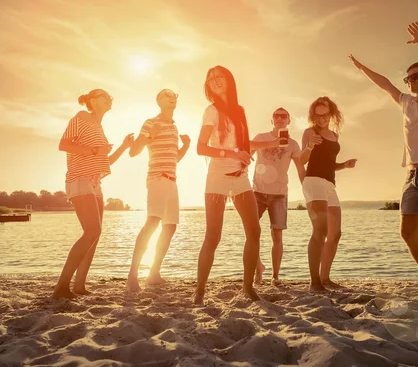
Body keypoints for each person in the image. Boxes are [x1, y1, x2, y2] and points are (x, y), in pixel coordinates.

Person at [348, 21, 418, 298]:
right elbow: (385, 84)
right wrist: (363, 69)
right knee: (407, 231)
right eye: (408, 78)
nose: (410, 81)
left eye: (415, 76)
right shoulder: (405, 102)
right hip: (411, 174)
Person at [194, 65, 280, 305]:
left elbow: (244, 146)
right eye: (211, 78)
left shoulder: (239, 111)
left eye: (219, 76)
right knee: (213, 236)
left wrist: (272, 143)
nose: (215, 80)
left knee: (254, 231)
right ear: (208, 86)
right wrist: (232, 153)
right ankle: (199, 291)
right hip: (217, 178)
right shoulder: (211, 111)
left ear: (229, 80)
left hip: (240, 178)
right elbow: (201, 148)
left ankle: (248, 287)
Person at [53, 88, 134, 299]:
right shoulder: (81, 117)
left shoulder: (99, 127)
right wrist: (93, 151)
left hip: (95, 183)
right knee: (91, 231)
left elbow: (104, 162)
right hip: (79, 178)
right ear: (92, 101)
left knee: (95, 235)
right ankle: (61, 287)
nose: (109, 98)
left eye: (110, 96)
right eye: (104, 96)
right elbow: (63, 144)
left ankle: (79, 285)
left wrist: (124, 146)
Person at [126, 89, 191, 292]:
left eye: (174, 96)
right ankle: (132, 276)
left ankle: (154, 274)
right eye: (166, 96)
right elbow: (133, 152)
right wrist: (147, 137)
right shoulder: (151, 123)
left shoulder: (173, 126)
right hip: (157, 178)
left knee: (170, 226)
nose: (172, 98)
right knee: (152, 222)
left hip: (172, 180)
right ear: (158, 101)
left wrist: (186, 145)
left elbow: (174, 159)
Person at [300, 96, 357, 292]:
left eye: (325, 116)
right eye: (318, 116)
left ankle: (325, 278)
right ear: (313, 116)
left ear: (331, 114)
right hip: (313, 181)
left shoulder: (334, 136)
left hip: (329, 184)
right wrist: (310, 146)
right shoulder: (309, 132)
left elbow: (329, 164)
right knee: (320, 231)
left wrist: (344, 165)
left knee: (335, 233)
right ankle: (314, 282)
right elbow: (302, 160)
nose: (322, 120)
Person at [252, 107, 305, 286]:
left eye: (284, 116)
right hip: (257, 192)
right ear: (272, 120)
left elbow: (300, 167)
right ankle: (258, 267)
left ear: (289, 121)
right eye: (277, 115)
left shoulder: (293, 144)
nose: (280, 118)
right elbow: (247, 152)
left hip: (279, 194)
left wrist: (308, 188)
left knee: (277, 236)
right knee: (252, 232)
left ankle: (275, 276)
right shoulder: (260, 137)